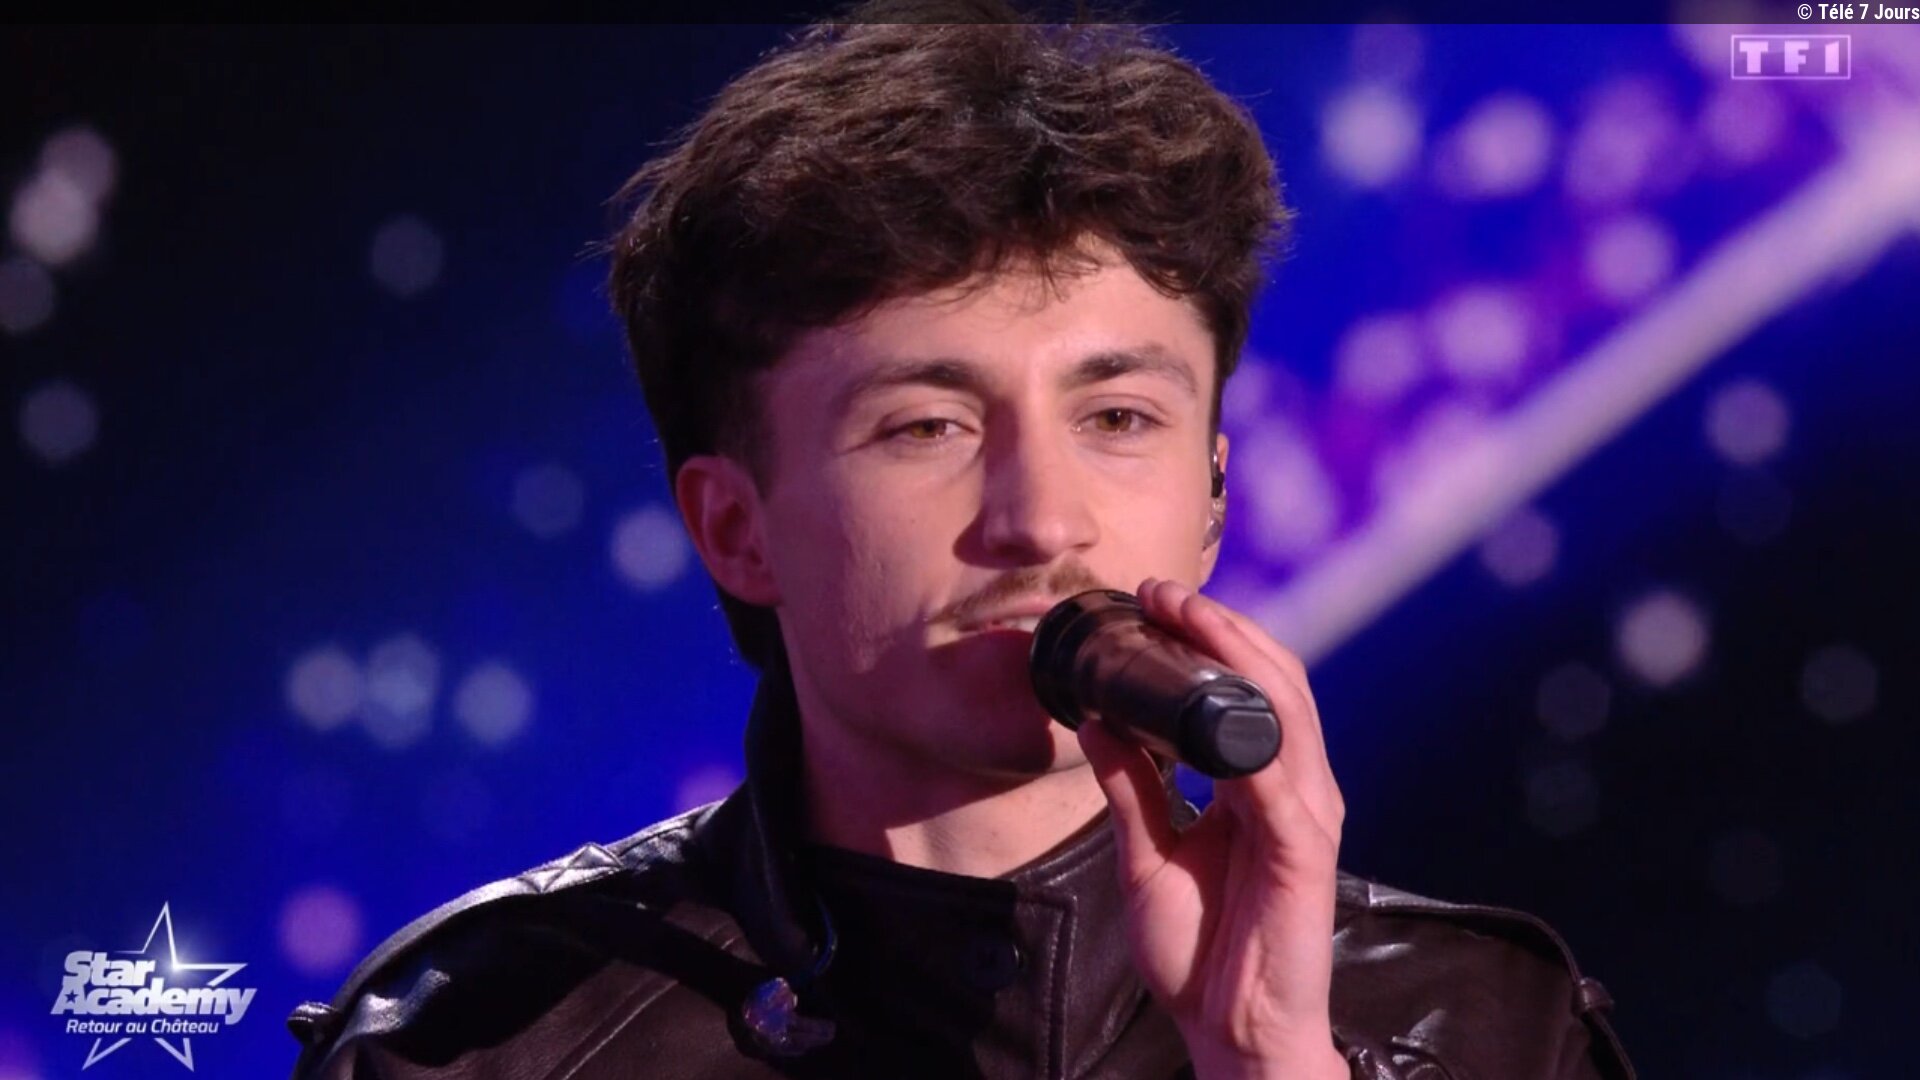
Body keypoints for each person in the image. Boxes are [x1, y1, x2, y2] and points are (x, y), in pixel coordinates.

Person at [288, 5, 1636, 1077]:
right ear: (735, 529)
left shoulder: (1484, 1027)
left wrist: (1269, 1058)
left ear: (1215, 497)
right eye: (927, 427)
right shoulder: (478, 1042)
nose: (1041, 520)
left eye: (1118, 417)